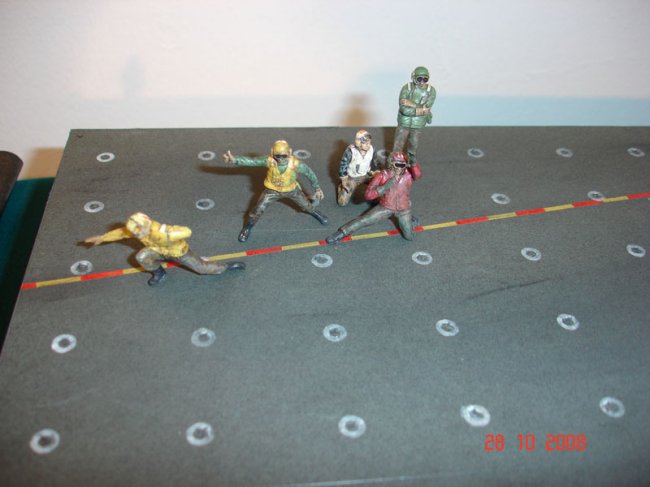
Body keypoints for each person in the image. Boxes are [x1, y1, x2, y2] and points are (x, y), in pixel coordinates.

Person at [84, 212, 245, 286]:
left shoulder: (161, 231)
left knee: (202, 269)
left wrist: (169, 232)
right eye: (135, 233)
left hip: (178, 253)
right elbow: (121, 233)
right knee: (142, 257)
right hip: (157, 251)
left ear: (147, 225)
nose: (136, 235)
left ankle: (225, 267)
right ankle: (159, 273)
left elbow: (187, 231)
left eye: (138, 232)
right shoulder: (137, 230)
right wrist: (102, 238)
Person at [223, 140, 328, 242]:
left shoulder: (296, 164)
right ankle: (247, 227)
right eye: (278, 156)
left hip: (291, 190)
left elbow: (309, 174)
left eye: (284, 156)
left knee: (306, 205)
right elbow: (252, 161)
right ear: (272, 153)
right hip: (272, 191)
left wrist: (317, 188)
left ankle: (315, 213)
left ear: (290, 152)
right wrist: (235, 160)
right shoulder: (269, 161)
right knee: (258, 209)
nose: (281, 159)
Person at [326, 152, 421, 243]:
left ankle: (408, 219)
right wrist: (384, 187)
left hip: (403, 209)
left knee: (409, 237)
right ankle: (342, 233)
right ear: (391, 164)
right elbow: (368, 195)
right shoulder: (382, 176)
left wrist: (413, 163)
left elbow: (418, 174)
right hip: (386, 207)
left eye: (403, 165)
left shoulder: (408, 175)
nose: (400, 168)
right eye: (398, 165)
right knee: (364, 220)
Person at [393, 66, 436, 165]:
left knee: (413, 145)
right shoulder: (407, 88)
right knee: (398, 146)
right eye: (419, 79)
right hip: (404, 122)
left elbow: (426, 108)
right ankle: (394, 164)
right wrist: (420, 110)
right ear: (414, 77)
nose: (422, 82)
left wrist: (412, 104)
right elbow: (404, 109)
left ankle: (411, 164)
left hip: (418, 124)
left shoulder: (431, 91)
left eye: (425, 79)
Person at [336, 129, 381, 206]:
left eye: (369, 142)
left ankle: (374, 196)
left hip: (367, 174)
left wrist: (376, 171)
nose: (368, 144)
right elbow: (343, 164)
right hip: (353, 177)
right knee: (342, 202)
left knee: (377, 185)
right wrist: (344, 178)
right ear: (359, 142)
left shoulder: (372, 150)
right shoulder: (350, 151)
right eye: (365, 142)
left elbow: (375, 162)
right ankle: (341, 188)